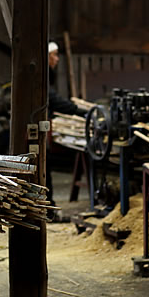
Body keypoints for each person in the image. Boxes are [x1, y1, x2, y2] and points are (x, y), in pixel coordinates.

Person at [46, 41, 87, 220]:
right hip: (39, 129)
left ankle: (48, 208)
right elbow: (53, 100)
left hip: (44, 126)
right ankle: (47, 209)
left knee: (45, 168)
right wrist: (78, 110)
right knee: (44, 168)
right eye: (53, 55)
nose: (56, 59)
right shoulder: (42, 75)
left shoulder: (48, 75)